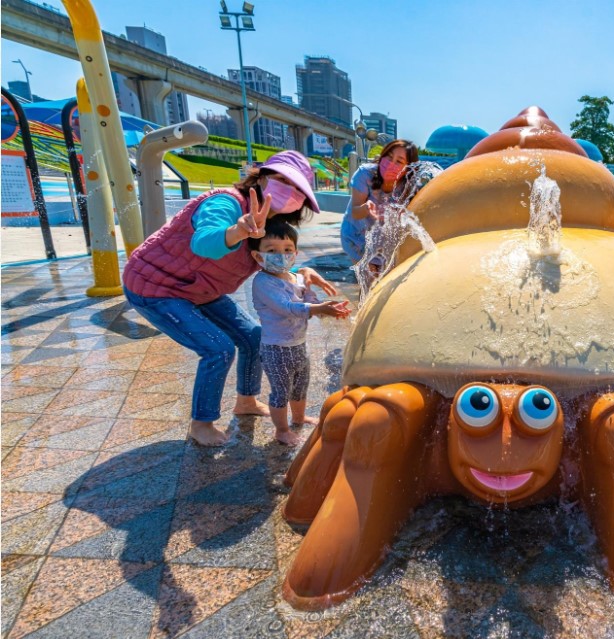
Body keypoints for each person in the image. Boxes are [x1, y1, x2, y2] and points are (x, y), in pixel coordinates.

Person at [123, 150, 338, 447]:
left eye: (298, 189)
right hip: (157, 286)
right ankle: (202, 423)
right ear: (260, 177)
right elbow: (204, 244)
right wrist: (238, 229)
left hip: (200, 290)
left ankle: (246, 401)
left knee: (253, 337)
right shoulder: (225, 203)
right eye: (281, 180)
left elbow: (270, 257)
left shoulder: (272, 224)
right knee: (218, 348)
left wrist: (303, 270)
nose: (290, 192)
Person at [249, 219, 351, 446]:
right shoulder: (263, 283)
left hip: (298, 345)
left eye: (287, 250)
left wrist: (329, 309)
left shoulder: (295, 278)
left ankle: (299, 417)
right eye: (272, 250)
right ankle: (282, 430)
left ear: (295, 253)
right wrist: (318, 308)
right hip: (276, 349)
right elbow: (288, 308)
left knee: (300, 385)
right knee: (280, 392)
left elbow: (309, 302)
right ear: (258, 256)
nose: (281, 255)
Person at [340, 139, 420, 264]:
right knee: (370, 282)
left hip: (385, 245)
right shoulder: (365, 174)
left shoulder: (410, 186)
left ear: (408, 168)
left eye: (399, 161)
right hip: (357, 239)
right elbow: (355, 212)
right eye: (389, 157)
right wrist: (366, 208)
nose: (390, 164)